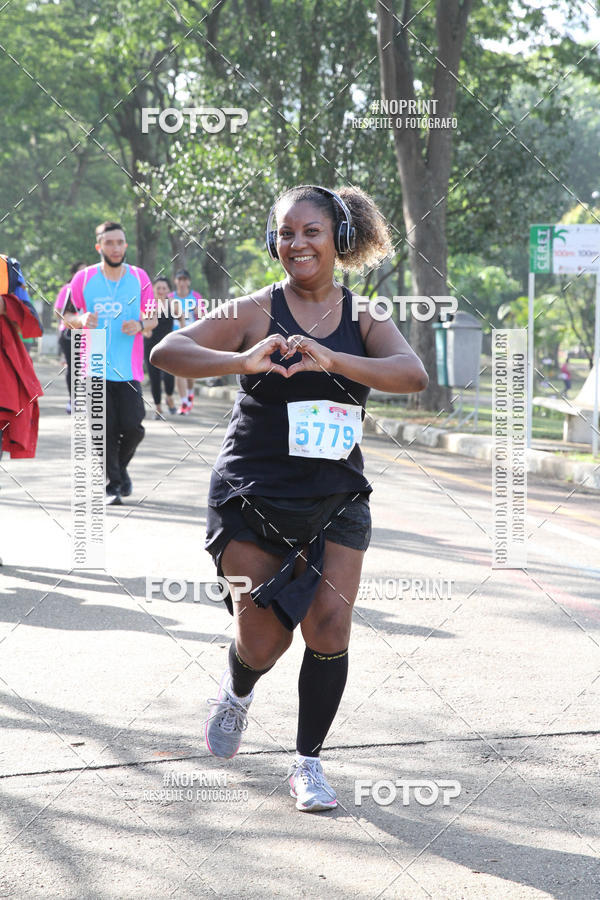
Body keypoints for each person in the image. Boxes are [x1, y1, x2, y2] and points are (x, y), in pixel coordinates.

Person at [151, 185, 428, 812]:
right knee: (264, 641)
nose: (296, 244)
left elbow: (412, 376)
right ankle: (239, 690)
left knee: (329, 627)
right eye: (285, 233)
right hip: (254, 492)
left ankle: (308, 764)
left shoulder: (365, 318)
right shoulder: (256, 308)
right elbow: (168, 350)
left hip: (334, 495)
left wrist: (334, 359)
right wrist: (245, 360)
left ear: (338, 237)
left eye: (309, 232)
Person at [62, 222, 157, 505]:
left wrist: (140, 324)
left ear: (125, 246)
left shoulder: (140, 278)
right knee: (105, 429)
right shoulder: (83, 278)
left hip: (128, 369)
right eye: (109, 242)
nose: (115, 248)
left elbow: (153, 319)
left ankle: (120, 469)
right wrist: (80, 320)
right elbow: (66, 316)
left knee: (133, 427)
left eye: (120, 242)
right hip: (95, 364)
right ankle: (113, 485)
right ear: (99, 246)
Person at [169, 269, 206, 414]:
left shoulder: (196, 297)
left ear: (189, 282)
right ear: (175, 281)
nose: (182, 282)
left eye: (185, 279)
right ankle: (184, 403)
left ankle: (190, 393)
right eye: (180, 279)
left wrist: (197, 310)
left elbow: (204, 316)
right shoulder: (170, 297)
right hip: (174, 337)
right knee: (178, 370)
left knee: (191, 371)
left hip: (192, 337)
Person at [54, 261, 86, 413]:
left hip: (89, 332)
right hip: (69, 333)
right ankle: (73, 399)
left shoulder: (93, 289)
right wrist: (73, 318)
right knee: (74, 367)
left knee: (88, 367)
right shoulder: (67, 289)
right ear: (73, 274)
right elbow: (58, 311)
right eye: (80, 271)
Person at [144, 276, 177, 418]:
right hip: (151, 344)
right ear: (153, 289)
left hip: (168, 345)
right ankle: (158, 408)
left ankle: (169, 396)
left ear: (168, 290)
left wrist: (182, 333)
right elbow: (144, 322)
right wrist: (146, 331)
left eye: (164, 288)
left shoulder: (173, 304)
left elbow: (181, 319)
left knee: (169, 375)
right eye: (158, 288)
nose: (161, 291)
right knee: (154, 377)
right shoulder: (148, 304)